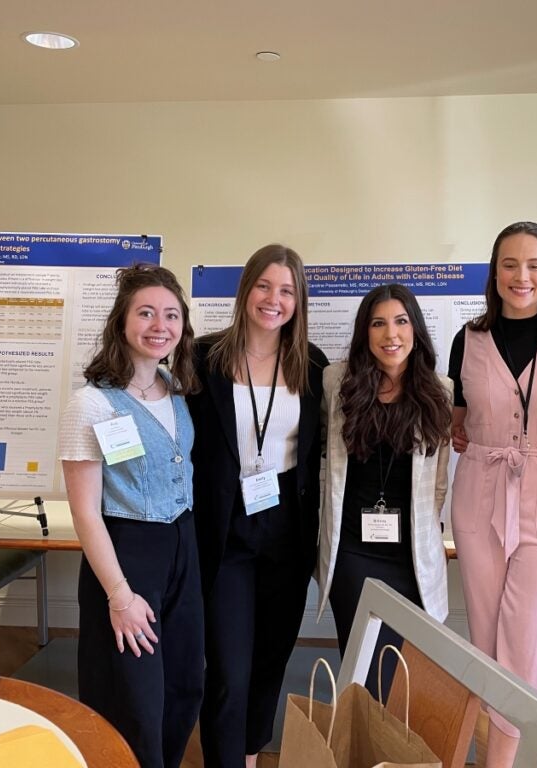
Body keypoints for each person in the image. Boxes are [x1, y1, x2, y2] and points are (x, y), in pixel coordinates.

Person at [187, 244, 328, 768]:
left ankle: (249, 753)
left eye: (287, 290)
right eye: (265, 286)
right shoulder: (203, 358)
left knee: (271, 660)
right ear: (246, 289)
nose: (274, 299)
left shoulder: (311, 365)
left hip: (287, 529)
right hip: (225, 529)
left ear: (299, 300)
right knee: (228, 667)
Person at [58, 263, 202, 768]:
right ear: (122, 322)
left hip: (183, 550)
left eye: (170, 315)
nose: (159, 325)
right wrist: (119, 595)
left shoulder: (177, 389)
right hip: (127, 555)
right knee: (135, 698)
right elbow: (85, 514)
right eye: (145, 313)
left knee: (185, 684)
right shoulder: (91, 404)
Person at [448, 221, 537, 768]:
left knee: (534, 640)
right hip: (479, 487)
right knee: (485, 634)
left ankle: (511, 760)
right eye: (509, 264)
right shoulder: (467, 339)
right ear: (493, 271)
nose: (521, 277)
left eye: (534, 265)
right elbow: (458, 421)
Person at [317, 284, 452, 696]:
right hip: (353, 552)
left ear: (415, 329)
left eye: (400, 321)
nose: (390, 334)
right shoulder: (336, 381)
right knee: (358, 666)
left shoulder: (439, 390)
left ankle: (388, 753)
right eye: (378, 323)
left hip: (409, 556)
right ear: (365, 332)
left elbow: (439, 481)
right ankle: (360, 745)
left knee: (397, 671)